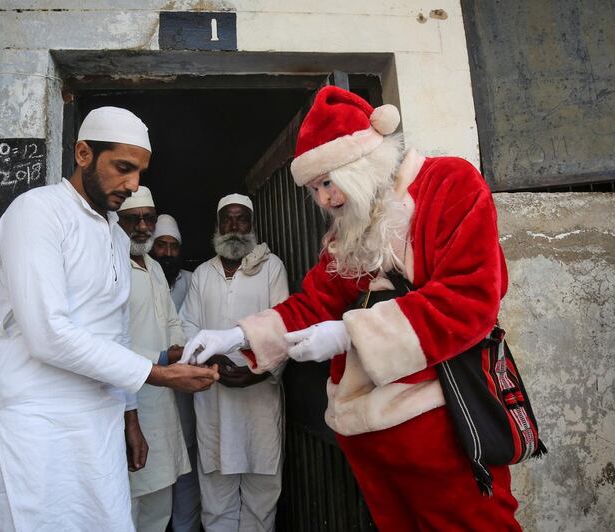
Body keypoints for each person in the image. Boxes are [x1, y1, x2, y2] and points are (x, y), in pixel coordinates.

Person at [182, 87, 522, 530]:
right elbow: (314, 302)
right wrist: (238, 336)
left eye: (327, 181)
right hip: (366, 430)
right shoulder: (351, 230)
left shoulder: (449, 183)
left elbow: (471, 299)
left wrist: (347, 334)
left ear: (361, 161)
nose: (323, 199)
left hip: (441, 422)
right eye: (313, 188)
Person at [0, 106, 218, 532]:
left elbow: (116, 333)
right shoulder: (37, 212)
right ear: (84, 153)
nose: (133, 184)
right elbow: (48, 334)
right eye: (123, 167)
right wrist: (159, 376)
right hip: (37, 424)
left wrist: (129, 417)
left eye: (140, 171)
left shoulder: (114, 234)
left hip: (99, 422)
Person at [179, 193, 289, 532]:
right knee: (216, 498)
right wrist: (211, 360)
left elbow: (284, 324)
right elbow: (188, 327)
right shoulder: (202, 273)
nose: (234, 227)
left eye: (242, 219)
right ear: (217, 225)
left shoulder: (271, 268)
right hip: (214, 396)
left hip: (259, 398)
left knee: (261, 498)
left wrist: (258, 371)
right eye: (227, 219)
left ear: (252, 225)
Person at [117, 186, 191, 532]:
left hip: (161, 402)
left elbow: (172, 321)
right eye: (134, 219)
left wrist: (178, 349)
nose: (144, 227)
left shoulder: (154, 267)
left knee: (159, 505)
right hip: (126, 402)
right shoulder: (109, 264)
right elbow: (108, 341)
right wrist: (164, 357)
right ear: (117, 219)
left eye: (149, 218)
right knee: (127, 504)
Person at [148, 213, 201, 532]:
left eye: (172, 246)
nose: (167, 252)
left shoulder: (194, 281)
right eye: (161, 245)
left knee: (188, 479)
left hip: (186, 398)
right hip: (149, 393)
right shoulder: (138, 279)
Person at [150, 214, 192, 312]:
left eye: (174, 247)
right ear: (151, 247)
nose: (168, 253)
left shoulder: (192, 280)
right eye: (161, 245)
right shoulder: (141, 279)